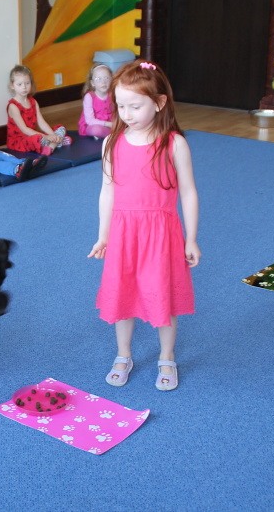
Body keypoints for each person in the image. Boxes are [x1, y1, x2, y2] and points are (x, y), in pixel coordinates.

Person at [87, 60, 201, 392]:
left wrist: (191, 238)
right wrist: (103, 235)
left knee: (162, 295)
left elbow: (189, 192)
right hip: (124, 234)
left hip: (161, 235)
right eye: (121, 106)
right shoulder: (111, 143)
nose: (127, 114)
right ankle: (123, 354)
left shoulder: (174, 143)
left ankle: (167, 356)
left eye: (135, 106)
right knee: (122, 296)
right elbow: (107, 191)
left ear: (159, 103)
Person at [6, 65, 71, 156]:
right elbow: (24, 130)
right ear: (12, 85)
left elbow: (41, 122)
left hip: (35, 134)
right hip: (21, 141)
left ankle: (53, 144)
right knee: (37, 139)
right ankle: (56, 143)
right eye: (19, 84)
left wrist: (53, 135)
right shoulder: (13, 106)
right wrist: (46, 136)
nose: (24, 87)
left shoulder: (33, 102)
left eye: (27, 83)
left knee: (61, 128)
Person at [78, 63, 113, 139]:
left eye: (106, 78)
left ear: (111, 80)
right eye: (98, 79)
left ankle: (109, 134)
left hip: (111, 124)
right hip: (93, 125)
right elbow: (90, 120)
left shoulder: (112, 94)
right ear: (92, 83)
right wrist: (108, 124)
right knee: (96, 130)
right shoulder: (89, 97)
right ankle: (111, 134)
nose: (103, 82)